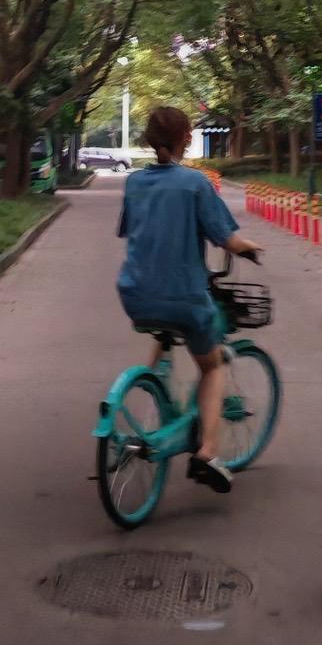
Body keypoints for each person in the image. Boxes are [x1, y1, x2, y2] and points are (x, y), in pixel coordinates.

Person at [116, 105, 261, 494]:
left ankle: (150, 394)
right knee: (211, 365)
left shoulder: (133, 183)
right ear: (185, 138)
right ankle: (208, 452)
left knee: (163, 332)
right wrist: (248, 248)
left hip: (134, 292)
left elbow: (131, 229)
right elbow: (225, 237)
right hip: (182, 295)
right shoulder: (195, 183)